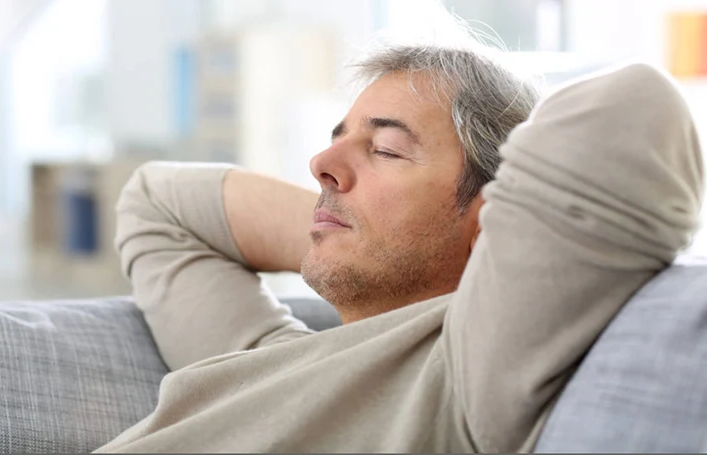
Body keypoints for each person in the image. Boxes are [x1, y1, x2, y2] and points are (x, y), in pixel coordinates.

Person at [95, 44, 704, 452]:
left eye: (385, 150)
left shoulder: (467, 371)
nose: (320, 164)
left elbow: (634, 108)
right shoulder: (270, 355)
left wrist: (462, 244)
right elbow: (157, 204)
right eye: (338, 140)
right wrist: (337, 226)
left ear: (495, 225)